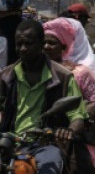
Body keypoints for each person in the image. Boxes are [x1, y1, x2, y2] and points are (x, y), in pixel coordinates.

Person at [0, 20, 88, 174]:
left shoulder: (63, 76)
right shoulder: (6, 76)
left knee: (49, 166)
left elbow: (78, 114)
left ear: (41, 44)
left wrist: (68, 131)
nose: (22, 49)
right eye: (18, 44)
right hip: (10, 141)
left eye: (28, 44)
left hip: (46, 144)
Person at [43, 18, 95, 173]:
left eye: (52, 43)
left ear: (64, 47)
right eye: (43, 43)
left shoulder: (79, 73)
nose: (46, 47)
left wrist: (79, 120)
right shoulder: (34, 73)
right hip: (43, 134)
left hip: (73, 135)